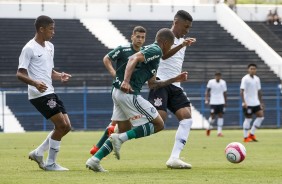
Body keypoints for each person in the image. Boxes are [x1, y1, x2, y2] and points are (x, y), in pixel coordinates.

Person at [86, 28, 188, 172]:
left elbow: (152, 84)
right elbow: (133, 58)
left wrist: (175, 79)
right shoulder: (156, 50)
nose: (169, 50)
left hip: (118, 93)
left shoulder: (153, 55)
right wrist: (126, 81)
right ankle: (120, 139)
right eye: (170, 46)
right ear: (165, 43)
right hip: (128, 93)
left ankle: (95, 160)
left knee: (124, 129)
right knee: (159, 124)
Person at [16, 15, 72, 171]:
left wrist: (59, 75)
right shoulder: (29, 48)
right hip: (38, 93)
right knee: (61, 125)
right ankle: (50, 163)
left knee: (66, 127)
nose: (53, 32)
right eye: (51, 29)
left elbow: (48, 70)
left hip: (50, 91)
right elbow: (20, 73)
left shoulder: (50, 46)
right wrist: (34, 82)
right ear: (41, 29)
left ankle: (38, 153)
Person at [147, 10, 196, 169]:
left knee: (187, 118)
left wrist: (183, 43)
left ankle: (174, 158)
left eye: (189, 28)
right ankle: (121, 131)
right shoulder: (165, 37)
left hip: (175, 85)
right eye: (185, 26)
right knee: (158, 122)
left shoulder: (183, 41)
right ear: (176, 22)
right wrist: (182, 44)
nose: (187, 30)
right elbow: (163, 56)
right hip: (160, 82)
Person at [89, 26, 147, 155]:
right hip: (121, 91)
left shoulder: (143, 53)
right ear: (132, 37)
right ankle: (100, 150)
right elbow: (106, 58)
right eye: (137, 36)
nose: (140, 39)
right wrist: (115, 75)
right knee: (127, 126)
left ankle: (97, 149)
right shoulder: (123, 49)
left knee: (119, 125)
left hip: (130, 92)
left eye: (142, 37)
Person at [240, 64, 264, 143]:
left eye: (254, 69)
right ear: (248, 69)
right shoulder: (245, 79)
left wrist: (261, 102)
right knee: (248, 119)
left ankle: (252, 134)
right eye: (251, 69)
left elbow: (259, 91)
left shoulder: (257, 79)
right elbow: (242, 91)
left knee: (261, 117)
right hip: (248, 103)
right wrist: (244, 102)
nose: (253, 70)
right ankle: (245, 137)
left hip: (256, 102)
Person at [205, 71, 227, 137]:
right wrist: (206, 99)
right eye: (217, 75)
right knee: (212, 116)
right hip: (213, 101)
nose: (218, 77)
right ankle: (209, 127)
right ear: (215, 76)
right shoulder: (211, 82)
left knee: (220, 115)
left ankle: (219, 132)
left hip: (221, 101)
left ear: (220, 76)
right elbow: (207, 91)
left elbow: (225, 93)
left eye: (219, 75)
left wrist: (225, 102)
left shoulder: (223, 82)